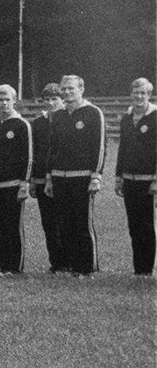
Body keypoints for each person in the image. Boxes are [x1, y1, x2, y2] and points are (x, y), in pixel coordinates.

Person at [50, 74, 104, 276]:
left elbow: (99, 147)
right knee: (65, 224)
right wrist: (49, 176)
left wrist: (96, 176)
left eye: (70, 88)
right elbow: (52, 149)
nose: (66, 92)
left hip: (82, 177)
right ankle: (73, 266)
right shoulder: (59, 115)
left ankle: (87, 268)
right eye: (63, 89)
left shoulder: (93, 113)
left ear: (81, 89)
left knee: (82, 223)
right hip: (59, 177)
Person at [0, 85, 32, 275]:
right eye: (0, 100)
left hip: (13, 184)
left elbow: (28, 157)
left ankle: (14, 266)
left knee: (12, 226)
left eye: (7, 100)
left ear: (14, 101)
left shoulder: (21, 125)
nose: (3, 103)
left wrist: (24, 183)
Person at [113, 78, 155, 275]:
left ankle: (146, 269)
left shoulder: (155, 116)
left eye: (143, 93)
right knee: (134, 225)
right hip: (129, 179)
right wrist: (118, 176)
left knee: (146, 225)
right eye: (136, 93)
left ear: (149, 95)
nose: (139, 97)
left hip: (149, 180)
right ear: (131, 94)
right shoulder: (126, 118)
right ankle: (139, 269)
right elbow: (122, 149)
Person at [32, 84, 66, 272]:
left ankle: (70, 261)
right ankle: (56, 262)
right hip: (40, 179)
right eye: (48, 99)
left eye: (55, 99)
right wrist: (32, 180)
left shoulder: (67, 120)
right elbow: (33, 153)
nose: (51, 103)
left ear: (62, 100)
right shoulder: (37, 123)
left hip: (62, 178)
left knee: (65, 221)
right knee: (49, 223)